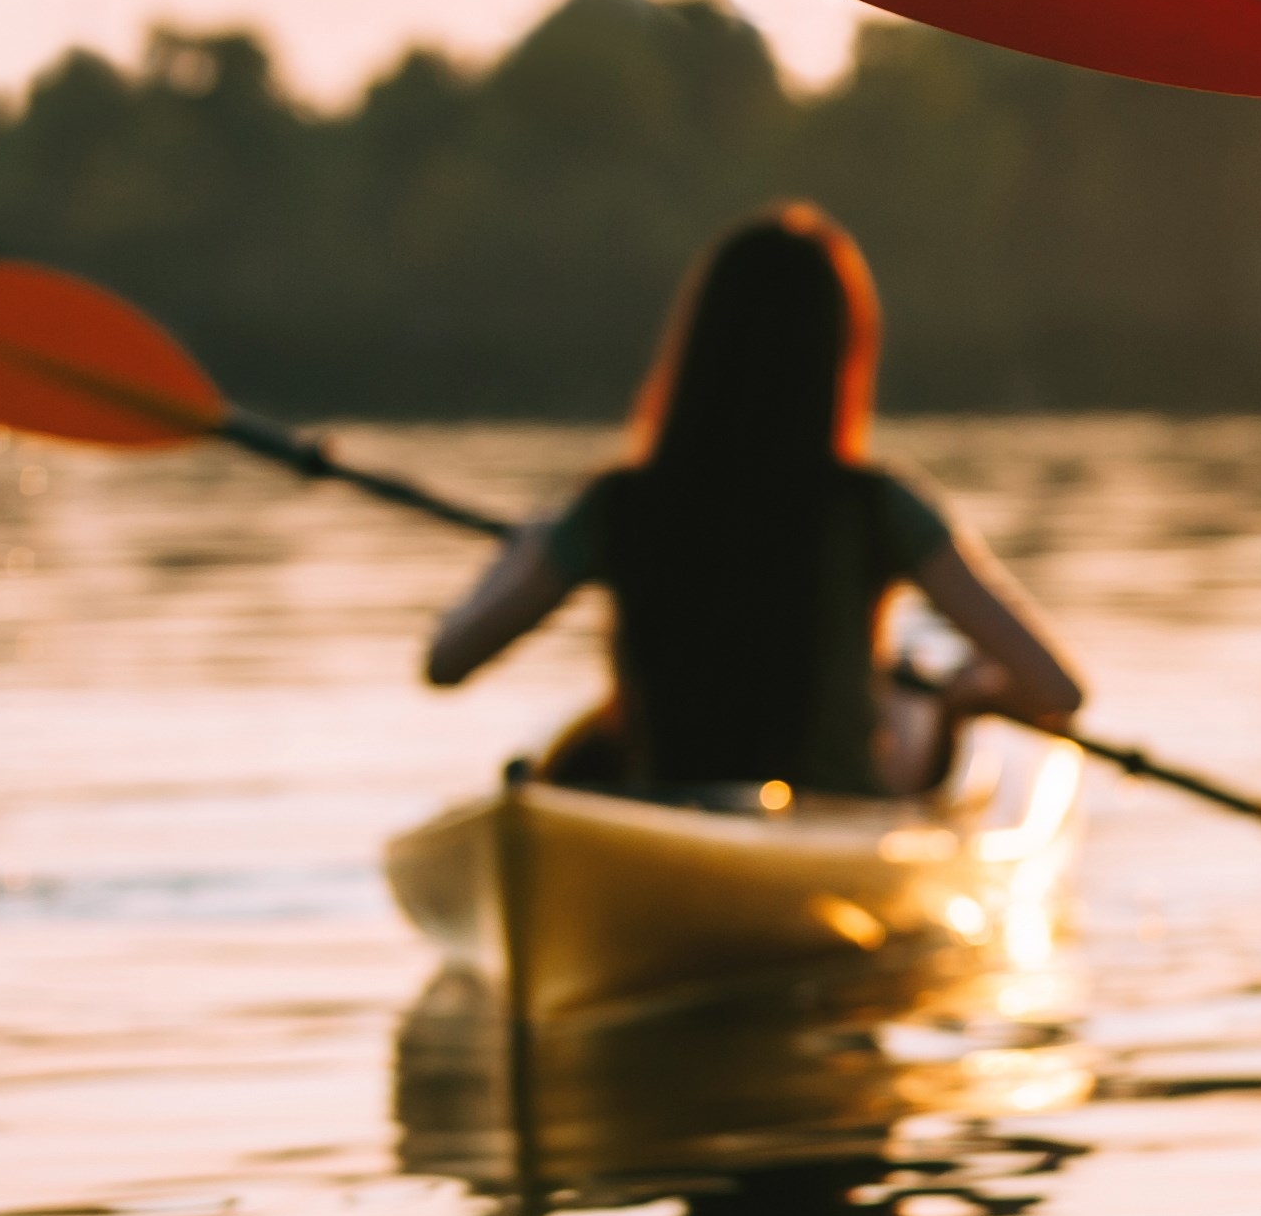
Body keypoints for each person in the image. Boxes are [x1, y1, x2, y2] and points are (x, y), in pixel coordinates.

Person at [427, 206, 1084, 797]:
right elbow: (1057, 689)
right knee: (916, 697)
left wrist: (521, 558)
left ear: (701, 346)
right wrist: (964, 699)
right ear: (838, 356)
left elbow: (446, 661)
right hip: (835, 817)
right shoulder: (876, 505)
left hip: (669, 810)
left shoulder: (615, 507)